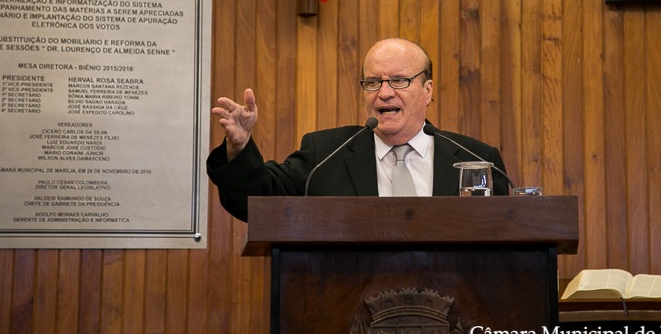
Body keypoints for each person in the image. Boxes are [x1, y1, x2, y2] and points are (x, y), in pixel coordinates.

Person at [207, 38, 510, 221]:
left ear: (427, 90)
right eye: (373, 82)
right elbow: (258, 202)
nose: (385, 92)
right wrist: (240, 147)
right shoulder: (324, 154)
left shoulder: (477, 159)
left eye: (399, 80)